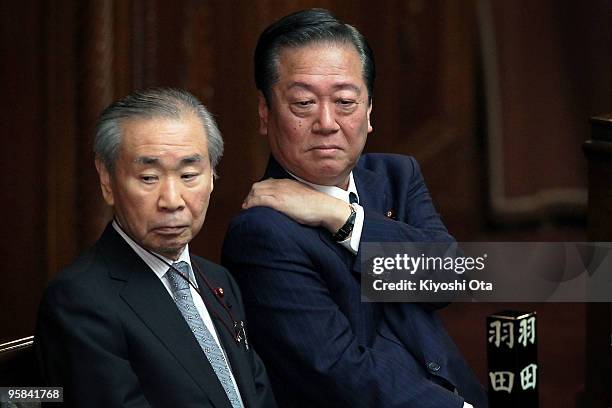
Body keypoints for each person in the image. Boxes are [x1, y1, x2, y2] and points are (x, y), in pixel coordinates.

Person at [222, 9, 487, 408]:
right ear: (265, 113)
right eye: (303, 103)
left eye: (345, 101)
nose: (327, 122)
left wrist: (342, 218)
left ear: (369, 111)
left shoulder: (396, 176)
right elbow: (337, 372)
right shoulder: (260, 232)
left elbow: (447, 280)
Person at [35, 88, 277, 408]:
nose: (172, 201)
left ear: (213, 176)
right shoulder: (80, 300)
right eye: (149, 177)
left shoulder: (219, 281)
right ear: (107, 180)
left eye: (189, 175)